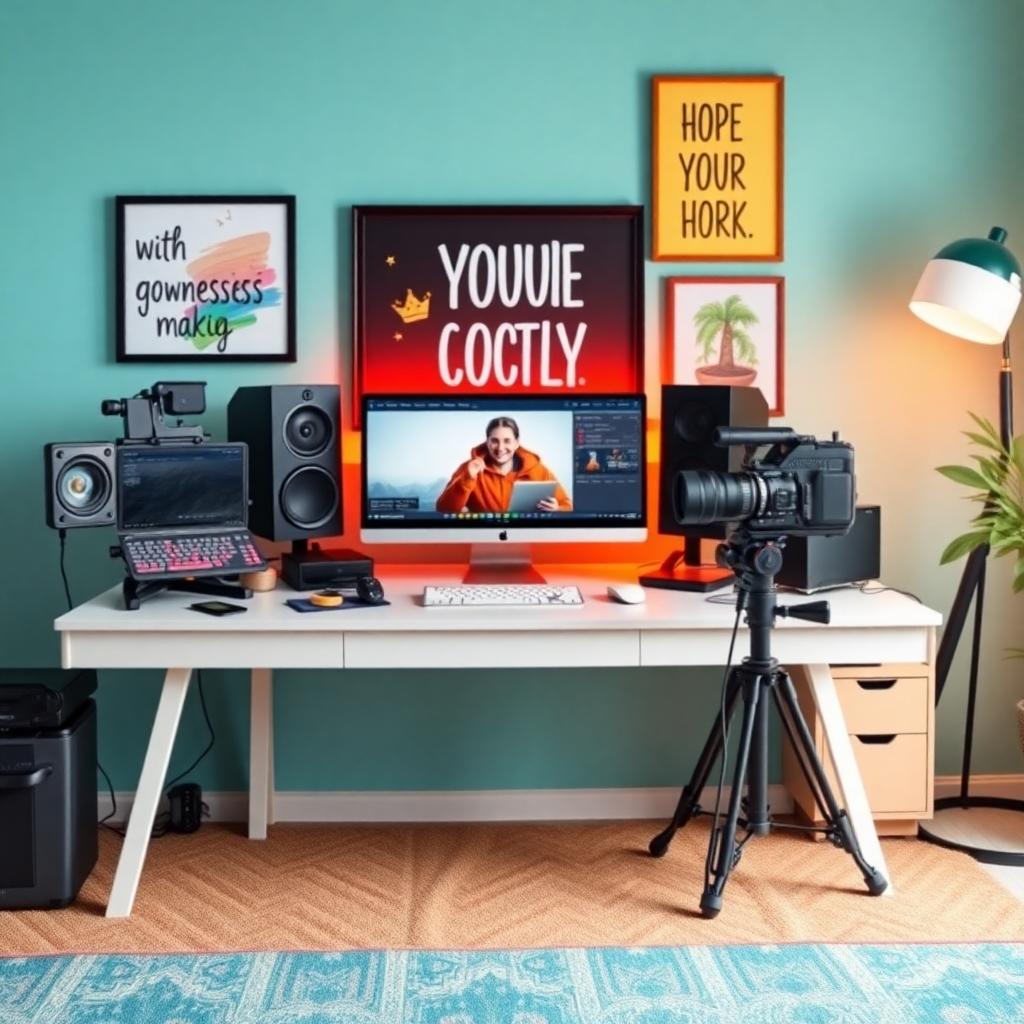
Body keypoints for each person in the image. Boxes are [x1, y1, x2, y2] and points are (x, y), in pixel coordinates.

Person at [435, 416, 572, 513]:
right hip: (483, 537)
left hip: (527, 536)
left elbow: (567, 506)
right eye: (495, 441)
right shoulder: (469, 469)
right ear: (487, 442)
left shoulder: (538, 470)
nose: (500, 448)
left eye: (507, 441)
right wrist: (467, 478)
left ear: (516, 443)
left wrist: (557, 509)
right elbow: (443, 510)